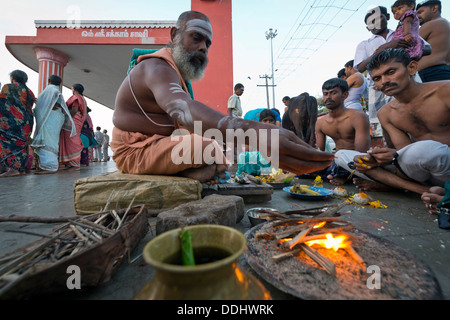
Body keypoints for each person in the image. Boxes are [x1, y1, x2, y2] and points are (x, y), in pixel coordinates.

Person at [111, 11, 333, 185]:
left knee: (214, 149)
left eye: (207, 43)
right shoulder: (156, 67)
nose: (202, 48)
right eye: (196, 38)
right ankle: (191, 171)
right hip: (134, 152)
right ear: (173, 35)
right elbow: (184, 110)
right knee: (205, 148)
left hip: (161, 146)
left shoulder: (174, 72)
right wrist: (258, 134)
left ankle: (191, 171)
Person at [334, 48, 450, 195]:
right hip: (421, 172)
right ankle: (422, 190)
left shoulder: (445, 91)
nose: (384, 81)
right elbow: (405, 157)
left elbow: (412, 153)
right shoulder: (386, 113)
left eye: (390, 72)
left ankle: (395, 185)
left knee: (426, 149)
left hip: (445, 165)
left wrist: (396, 156)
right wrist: (381, 158)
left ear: (412, 68)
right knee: (342, 156)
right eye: (377, 78)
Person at [314, 78, 371, 185]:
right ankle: (335, 174)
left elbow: (361, 152)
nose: (328, 97)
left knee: (342, 156)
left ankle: (342, 176)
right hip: (336, 161)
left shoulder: (358, 117)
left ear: (344, 95)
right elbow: (320, 153)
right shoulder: (321, 123)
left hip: (354, 161)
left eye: (333, 93)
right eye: (325, 94)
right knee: (302, 169)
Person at [31, 75, 75, 174]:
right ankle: (49, 165)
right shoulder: (55, 91)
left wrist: (39, 102)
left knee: (48, 141)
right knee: (51, 141)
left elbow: (54, 105)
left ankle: (50, 167)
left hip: (50, 119)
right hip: (55, 119)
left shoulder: (50, 90)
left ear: (49, 81)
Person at [0, 70, 35, 177]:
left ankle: (13, 169)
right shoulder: (29, 92)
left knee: (10, 143)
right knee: (22, 144)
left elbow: (2, 103)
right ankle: (21, 169)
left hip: (11, 121)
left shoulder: (8, 87)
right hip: (26, 122)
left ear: (12, 77)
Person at [416, 0, 450, 81]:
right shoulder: (446, 25)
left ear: (434, 8)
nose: (417, 16)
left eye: (420, 12)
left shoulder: (432, 24)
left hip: (430, 73)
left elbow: (408, 46)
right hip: (445, 72)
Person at [58, 83, 87, 171]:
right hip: (77, 120)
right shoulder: (83, 98)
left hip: (73, 120)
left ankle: (75, 164)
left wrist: (65, 118)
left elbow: (74, 110)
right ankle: (71, 163)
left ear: (74, 89)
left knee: (72, 140)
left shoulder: (76, 97)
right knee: (73, 139)